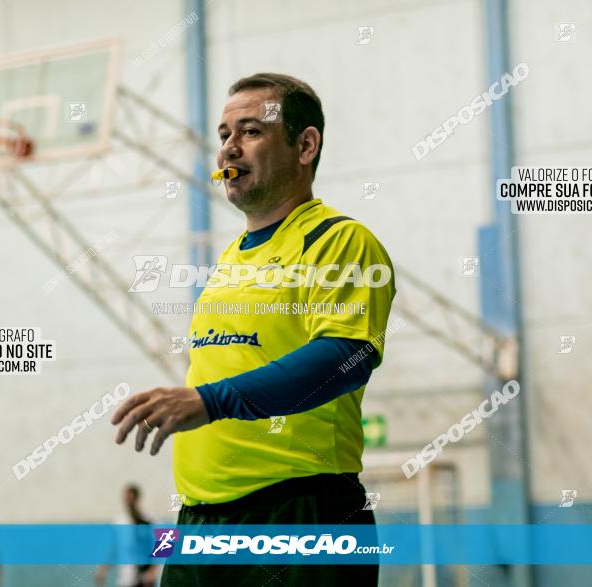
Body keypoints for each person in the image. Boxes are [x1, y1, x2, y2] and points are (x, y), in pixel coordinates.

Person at [110, 72, 396, 586]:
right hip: (201, 523)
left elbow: (344, 357)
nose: (228, 150)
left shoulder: (339, 241)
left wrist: (210, 401)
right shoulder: (227, 263)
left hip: (298, 517)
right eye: (223, 135)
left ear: (305, 145)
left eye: (250, 132)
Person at [95, 484, 159, 587]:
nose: (129, 502)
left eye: (131, 498)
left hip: (146, 578)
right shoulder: (119, 521)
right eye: (126, 498)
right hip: (126, 578)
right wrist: (103, 569)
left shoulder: (149, 519)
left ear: (137, 498)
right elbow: (115, 548)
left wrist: (152, 571)